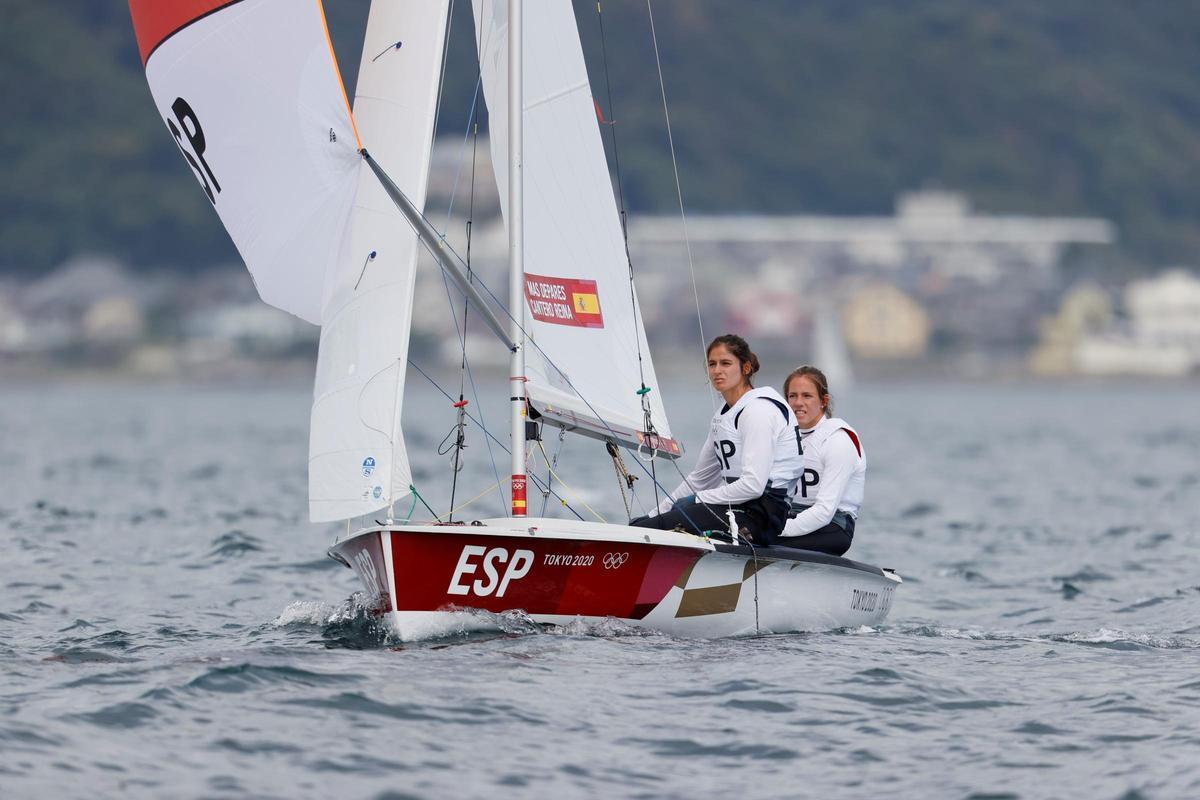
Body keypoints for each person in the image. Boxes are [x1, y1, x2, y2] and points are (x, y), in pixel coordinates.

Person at [632, 334, 804, 543]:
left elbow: (753, 485)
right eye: (712, 364)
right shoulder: (723, 417)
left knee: (651, 530)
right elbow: (700, 479)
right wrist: (654, 514)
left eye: (726, 363)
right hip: (738, 508)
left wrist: (697, 499)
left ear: (746, 368)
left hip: (763, 515)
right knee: (641, 526)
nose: (717, 370)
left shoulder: (758, 411)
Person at [777, 366, 865, 556]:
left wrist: (773, 530)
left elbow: (824, 511)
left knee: (761, 539)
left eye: (807, 396)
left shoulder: (838, 440)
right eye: (792, 396)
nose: (798, 403)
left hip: (834, 525)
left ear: (823, 401)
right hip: (790, 515)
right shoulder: (783, 437)